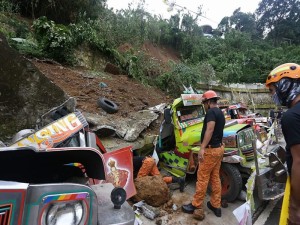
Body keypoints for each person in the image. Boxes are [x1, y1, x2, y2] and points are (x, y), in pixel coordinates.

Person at [182, 90, 225, 221]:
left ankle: (195, 205)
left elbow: (210, 129)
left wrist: (202, 148)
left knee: (202, 178)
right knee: (215, 177)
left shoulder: (211, 112)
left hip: (210, 151)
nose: (204, 106)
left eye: (204, 103)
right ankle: (215, 205)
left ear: (208, 102)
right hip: (219, 149)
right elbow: (217, 131)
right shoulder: (220, 112)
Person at [265, 63, 300, 225]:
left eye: (272, 90)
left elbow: (299, 162)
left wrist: (295, 207)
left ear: (284, 86)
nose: (272, 96)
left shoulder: (291, 117)